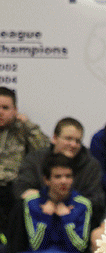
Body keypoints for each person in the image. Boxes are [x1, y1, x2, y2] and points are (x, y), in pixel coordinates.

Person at [5, 153, 92, 253]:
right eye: (58, 176)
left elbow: (79, 246)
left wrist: (66, 219)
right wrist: (45, 217)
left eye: (68, 176)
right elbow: (36, 245)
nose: (64, 181)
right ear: (46, 180)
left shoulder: (83, 204)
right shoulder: (32, 202)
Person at [13, 117, 105, 226]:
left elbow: (96, 199)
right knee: (19, 208)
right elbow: (21, 188)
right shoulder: (35, 159)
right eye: (68, 139)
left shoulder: (91, 165)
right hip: (40, 213)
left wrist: (69, 205)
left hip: (75, 217)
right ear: (54, 138)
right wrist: (44, 201)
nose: (73, 145)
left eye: (78, 141)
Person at [0, 88, 49, 235]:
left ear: (15, 110)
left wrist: (28, 125)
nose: (0, 112)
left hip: (12, 186)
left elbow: (44, 148)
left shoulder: (22, 130)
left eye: (5, 108)